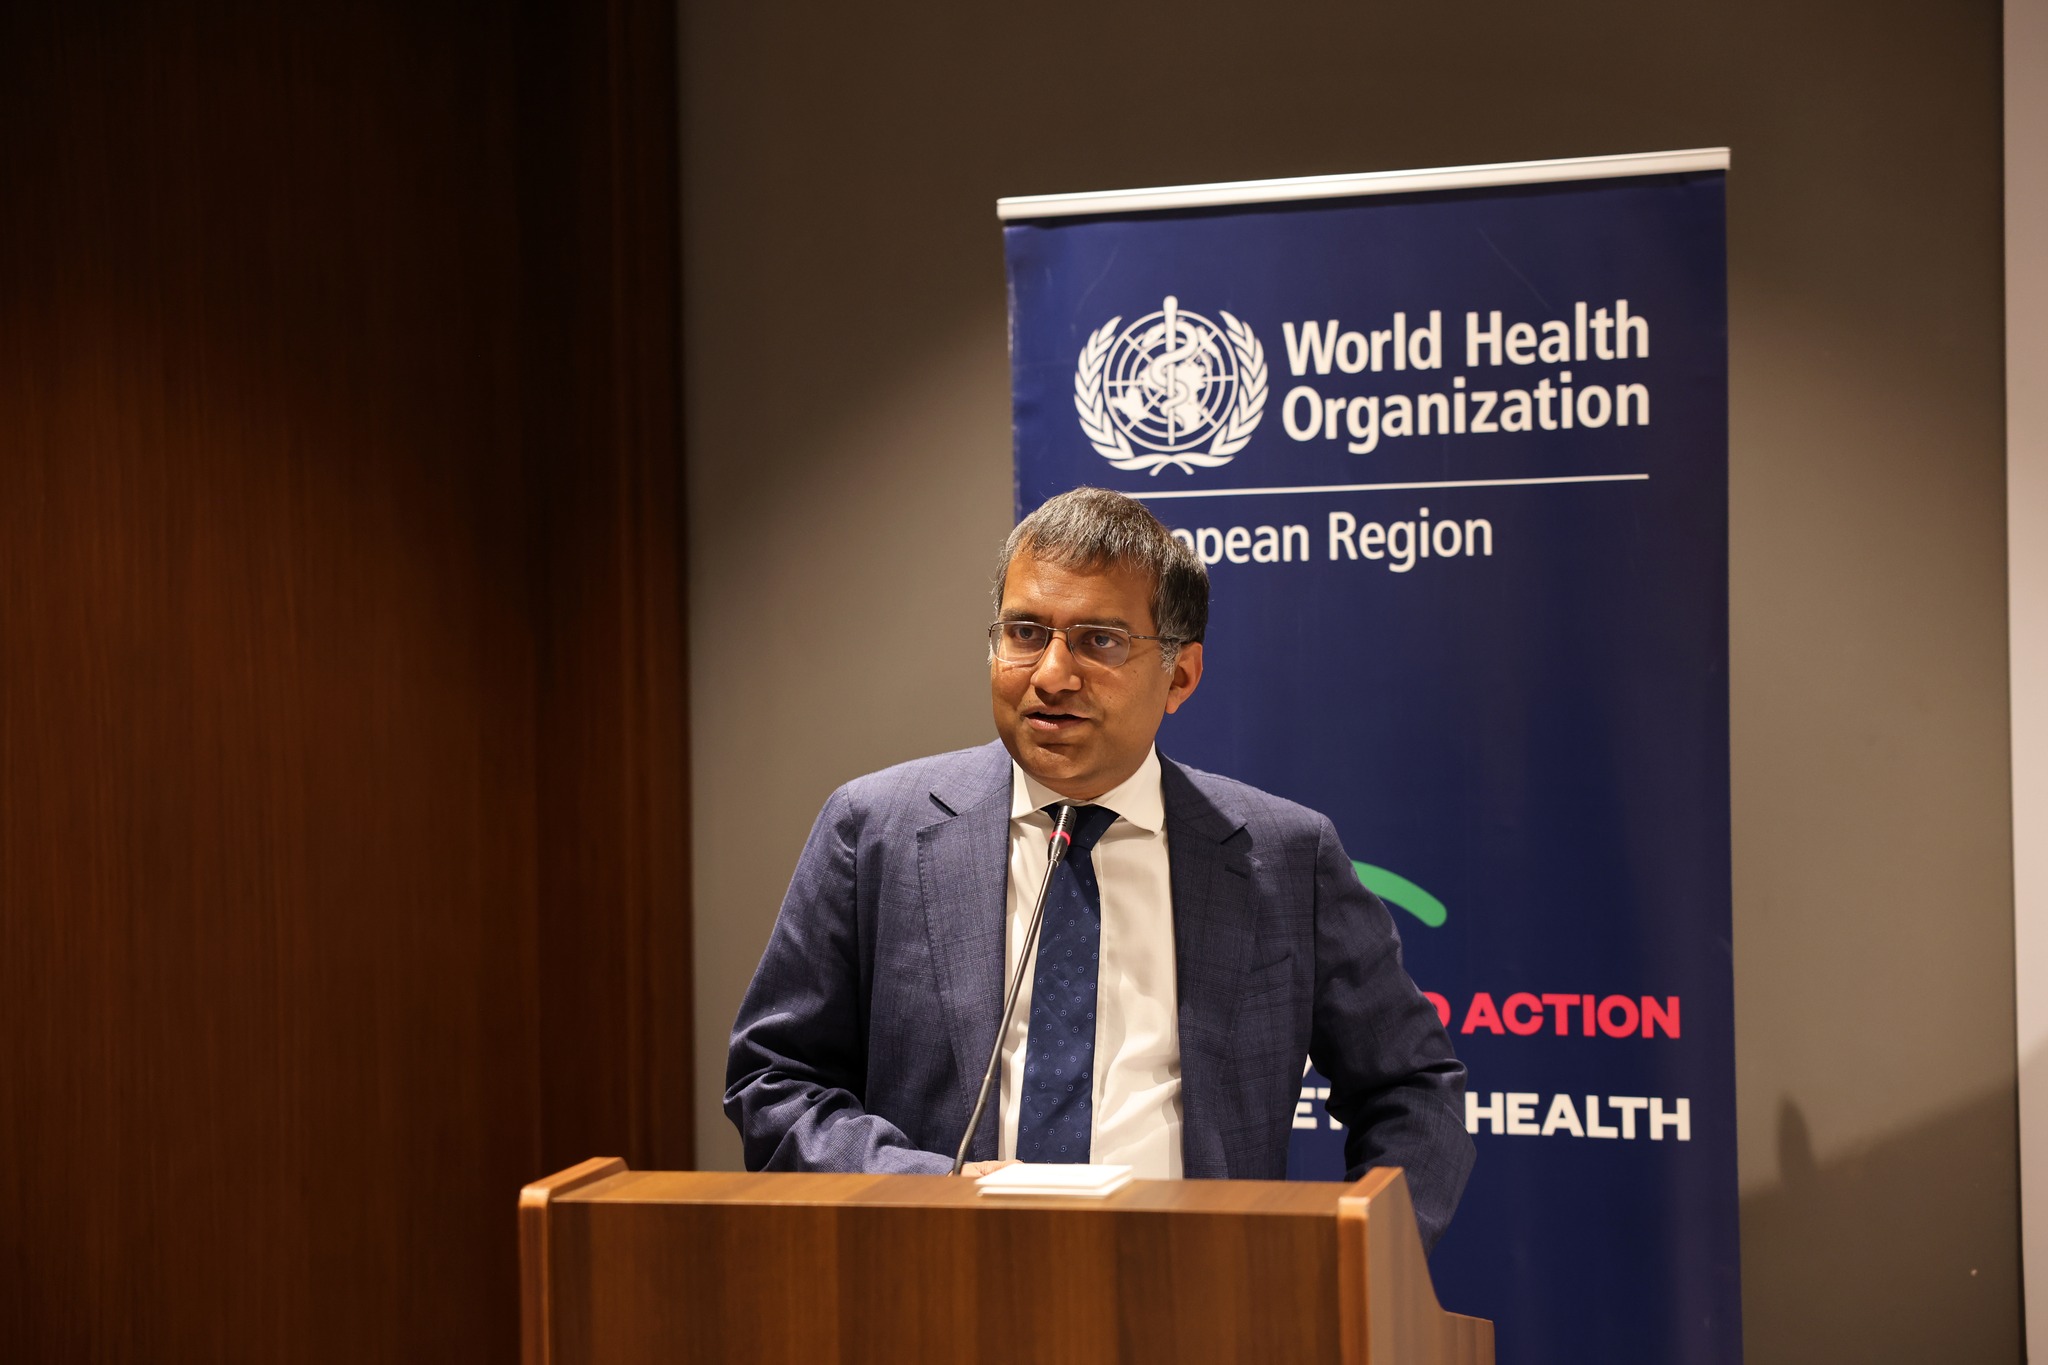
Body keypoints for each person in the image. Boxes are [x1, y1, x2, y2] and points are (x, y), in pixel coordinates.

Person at [725, 487, 1474, 1248]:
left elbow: (1411, 1088)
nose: (1052, 674)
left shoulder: (1284, 856)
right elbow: (774, 1080)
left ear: (1180, 676)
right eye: (1025, 632)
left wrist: (1365, 1251)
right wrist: (927, 1190)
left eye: (1099, 641)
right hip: (940, 1275)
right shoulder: (874, 828)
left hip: (1199, 1288)